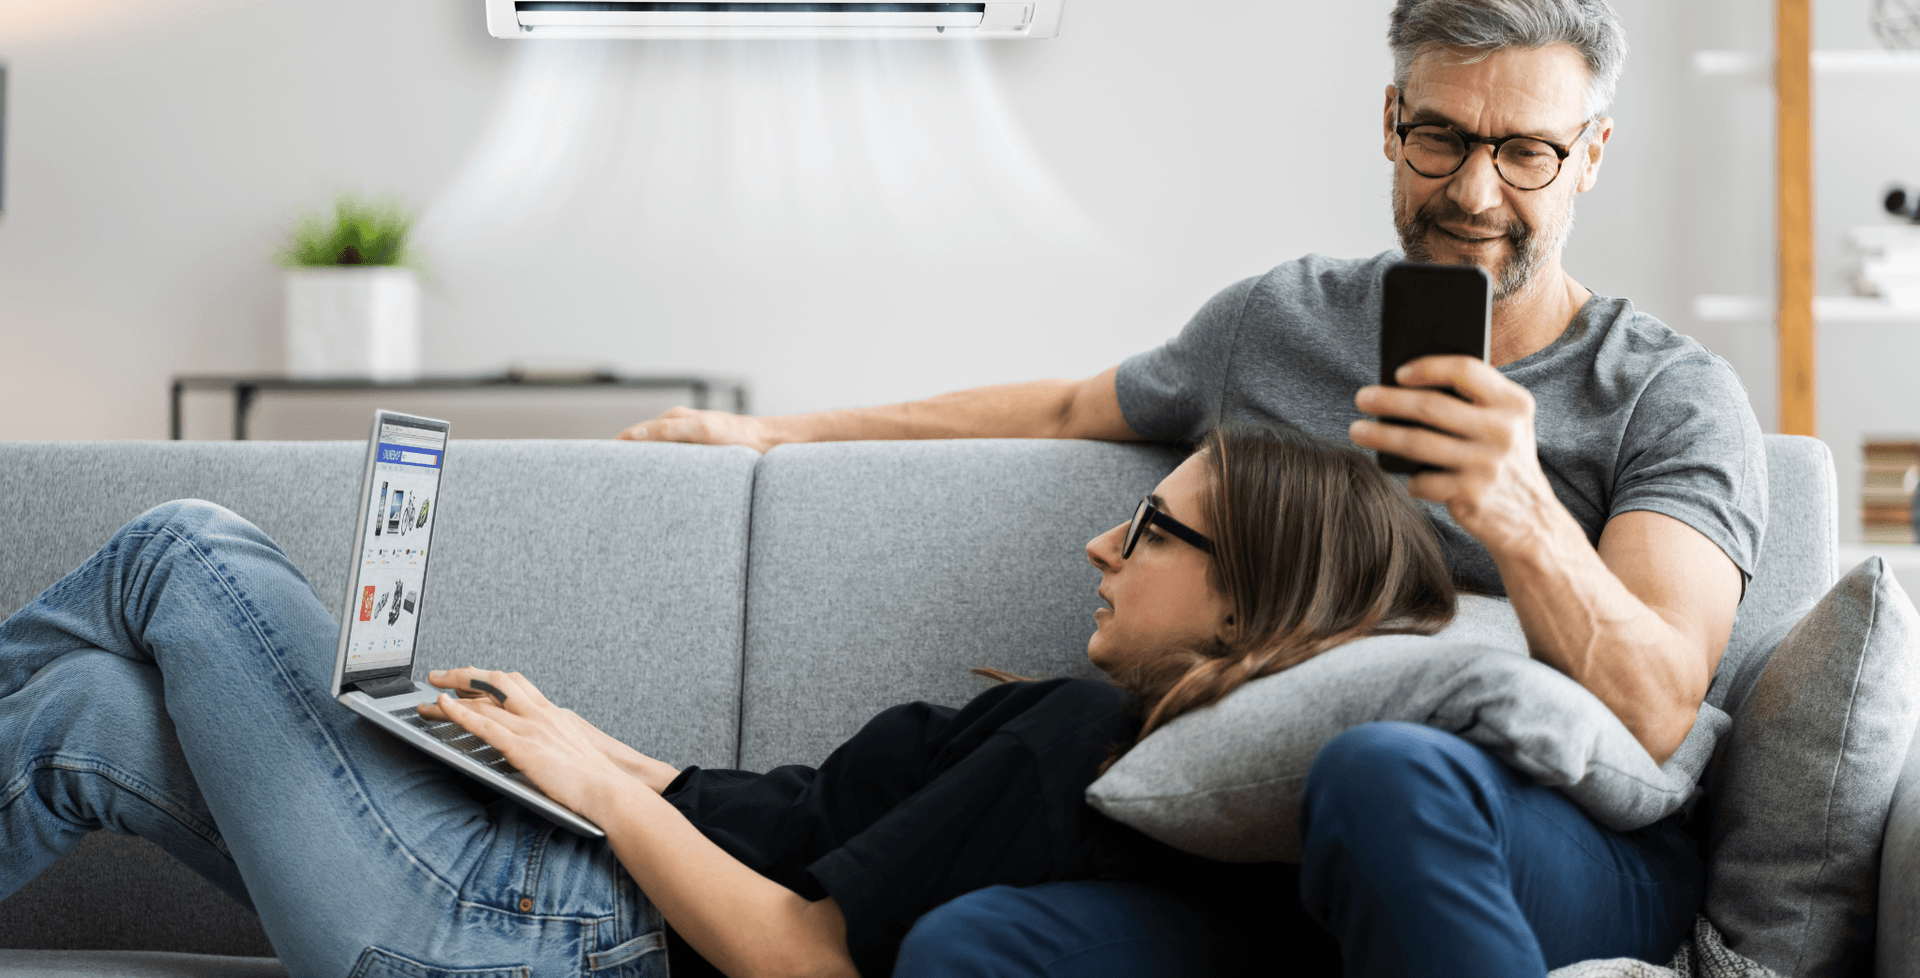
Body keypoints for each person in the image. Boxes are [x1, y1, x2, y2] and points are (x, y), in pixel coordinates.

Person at [621, 0, 1765, 976]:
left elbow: (1661, 705)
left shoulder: (1665, 394)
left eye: (1525, 152)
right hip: (1258, 852)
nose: (1474, 192)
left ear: (1591, 154)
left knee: (1383, 775)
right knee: (970, 943)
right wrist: (773, 433)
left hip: (1547, 846)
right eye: (1442, 138)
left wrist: (1519, 514)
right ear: (1389, 120)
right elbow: (1073, 403)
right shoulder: (1280, 322)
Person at [0, 427, 1446, 977]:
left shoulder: (1091, 743)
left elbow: (802, 955)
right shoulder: (1088, 731)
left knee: (189, 537)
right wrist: (582, 741)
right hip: (552, 892)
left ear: (1250, 600)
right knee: (88, 715)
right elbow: (793, 818)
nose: (1099, 541)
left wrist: (599, 794)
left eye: (1150, 527)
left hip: (540, 938)